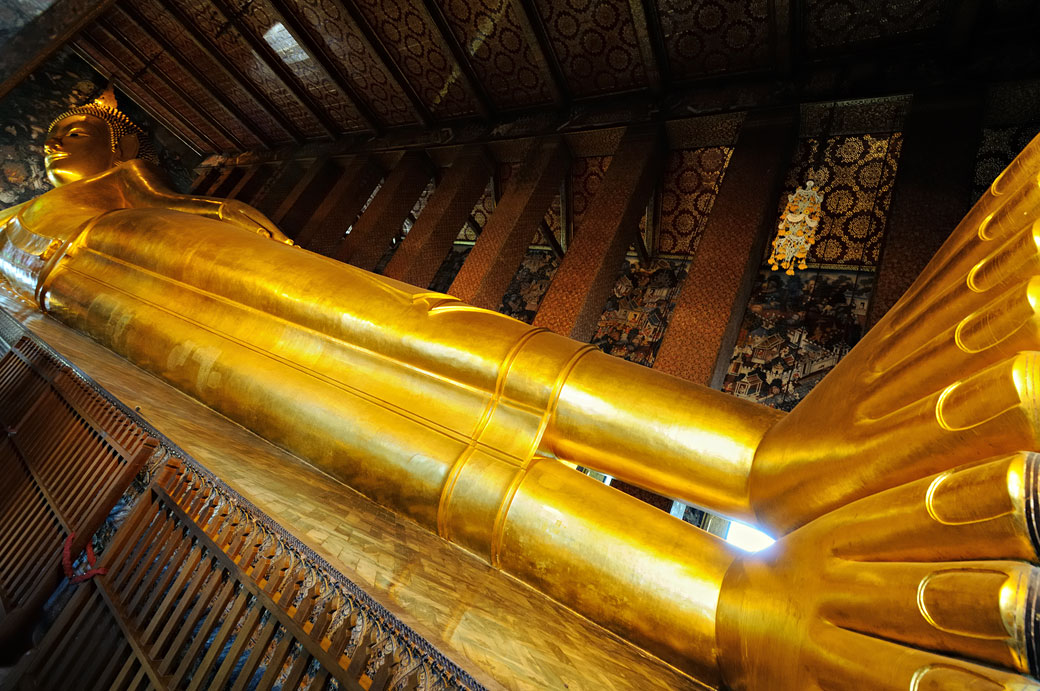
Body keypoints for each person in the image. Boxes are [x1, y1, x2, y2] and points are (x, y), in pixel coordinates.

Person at [3, 89, 1040, 690]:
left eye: (90, 124)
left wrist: (142, 200)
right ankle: (732, 609)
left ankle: (773, 462)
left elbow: (190, 220)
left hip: (169, 254)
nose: (69, 136)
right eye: (61, 133)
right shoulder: (22, 230)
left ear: (125, 140)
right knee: (352, 418)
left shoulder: (156, 200)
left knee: (419, 337)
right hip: (90, 305)